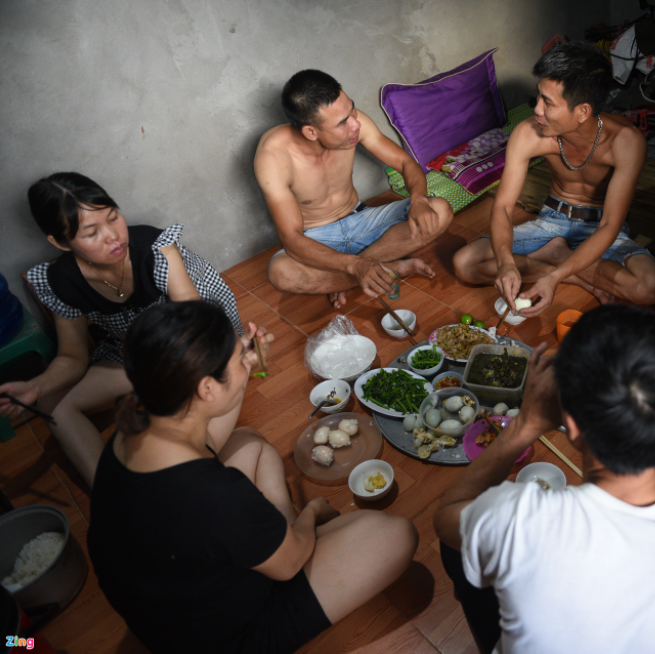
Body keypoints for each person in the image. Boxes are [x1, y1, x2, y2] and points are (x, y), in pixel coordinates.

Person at [87, 301, 418, 654]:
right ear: (206, 388)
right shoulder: (216, 495)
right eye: (236, 355)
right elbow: (289, 566)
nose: (245, 354)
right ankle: (284, 537)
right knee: (395, 535)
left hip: (164, 605)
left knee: (247, 442)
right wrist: (313, 513)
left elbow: (209, 433)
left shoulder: (133, 430)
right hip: (222, 638)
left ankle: (277, 536)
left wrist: (247, 367)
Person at [433, 305, 655, 654]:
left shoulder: (521, 523)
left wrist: (526, 423)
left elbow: (446, 515)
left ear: (570, 425)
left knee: (457, 544)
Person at [0, 172, 243, 488]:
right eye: (91, 233)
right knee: (51, 401)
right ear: (60, 242)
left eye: (114, 218)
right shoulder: (60, 281)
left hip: (191, 337)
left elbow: (194, 325)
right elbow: (73, 358)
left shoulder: (156, 250)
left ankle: (188, 470)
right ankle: (110, 493)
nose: (113, 236)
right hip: (135, 347)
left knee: (232, 360)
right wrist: (37, 386)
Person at [451, 42, 655, 318]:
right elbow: (504, 207)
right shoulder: (528, 133)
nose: (537, 110)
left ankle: (560, 259)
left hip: (600, 228)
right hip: (551, 221)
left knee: (654, 288)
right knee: (464, 263)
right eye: (538, 97)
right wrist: (505, 263)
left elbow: (610, 226)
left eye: (548, 103)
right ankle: (566, 266)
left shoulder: (625, 142)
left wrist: (553, 278)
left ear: (583, 112)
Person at [254, 69, 453, 309]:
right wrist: (354, 266)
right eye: (341, 123)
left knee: (439, 210)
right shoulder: (273, 156)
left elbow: (405, 163)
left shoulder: (354, 124)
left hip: (362, 220)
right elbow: (293, 240)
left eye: (352, 110)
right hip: (318, 238)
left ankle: (345, 280)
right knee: (281, 273)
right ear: (311, 132)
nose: (355, 124)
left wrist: (419, 200)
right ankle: (389, 268)